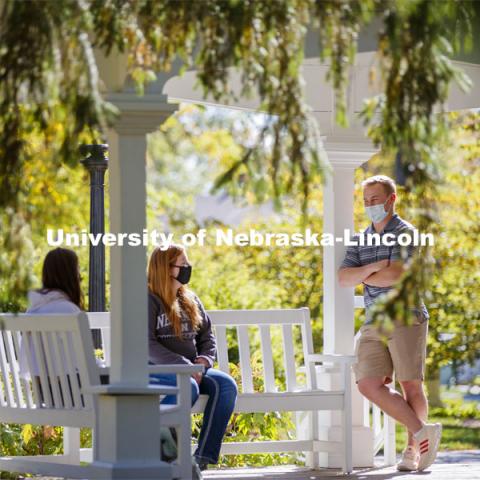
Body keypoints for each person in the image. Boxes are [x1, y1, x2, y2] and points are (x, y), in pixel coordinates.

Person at [338, 175, 441, 472]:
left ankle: (413, 451)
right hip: (374, 320)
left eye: (375, 200)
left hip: (405, 315)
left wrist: (362, 274)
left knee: (411, 384)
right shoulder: (361, 238)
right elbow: (343, 278)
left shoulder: (406, 232)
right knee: (368, 384)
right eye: (366, 201)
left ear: (391, 199)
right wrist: (372, 268)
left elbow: (396, 275)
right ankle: (423, 430)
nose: (370, 206)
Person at [147, 244, 238, 471]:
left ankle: (202, 458)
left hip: (193, 370)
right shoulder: (147, 300)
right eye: (183, 264)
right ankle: (160, 453)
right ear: (166, 269)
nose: (188, 268)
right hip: (157, 370)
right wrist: (185, 367)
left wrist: (204, 360)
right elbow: (146, 344)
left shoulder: (190, 299)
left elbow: (207, 336)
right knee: (187, 386)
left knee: (226, 385)